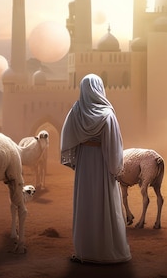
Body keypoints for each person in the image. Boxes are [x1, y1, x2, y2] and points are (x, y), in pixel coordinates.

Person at [60, 74, 131, 264]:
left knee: (86, 204)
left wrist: (80, 154)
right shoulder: (107, 115)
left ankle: (86, 251)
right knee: (104, 204)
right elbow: (114, 145)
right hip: (102, 162)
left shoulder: (76, 112)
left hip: (85, 163)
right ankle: (107, 251)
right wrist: (116, 168)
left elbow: (67, 137)